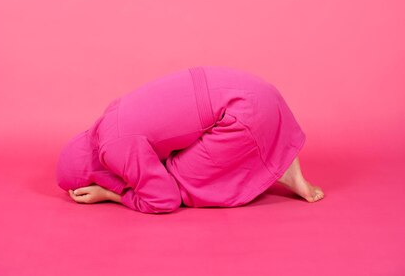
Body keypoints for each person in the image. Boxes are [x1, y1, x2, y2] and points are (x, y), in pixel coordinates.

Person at [56, 65, 324, 214]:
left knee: (177, 180)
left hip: (245, 114)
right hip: (251, 89)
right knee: (180, 148)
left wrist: (109, 194)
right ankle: (282, 159)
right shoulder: (109, 117)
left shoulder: (113, 148)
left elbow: (163, 199)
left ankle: (281, 169)